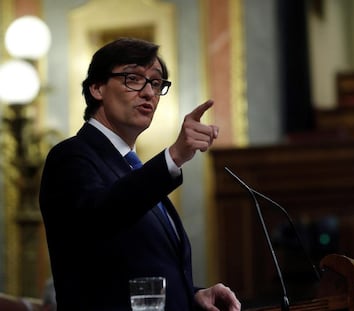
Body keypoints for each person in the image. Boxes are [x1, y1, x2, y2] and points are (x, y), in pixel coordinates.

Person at [39, 37, 241, 311]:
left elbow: (139, 269)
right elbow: (100, 219)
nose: (149, 93)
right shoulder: (71, 156)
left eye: (156, 83)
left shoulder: (135, 169)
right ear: (97, 88)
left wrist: (192, 295)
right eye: (133, 78)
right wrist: (174, 157)